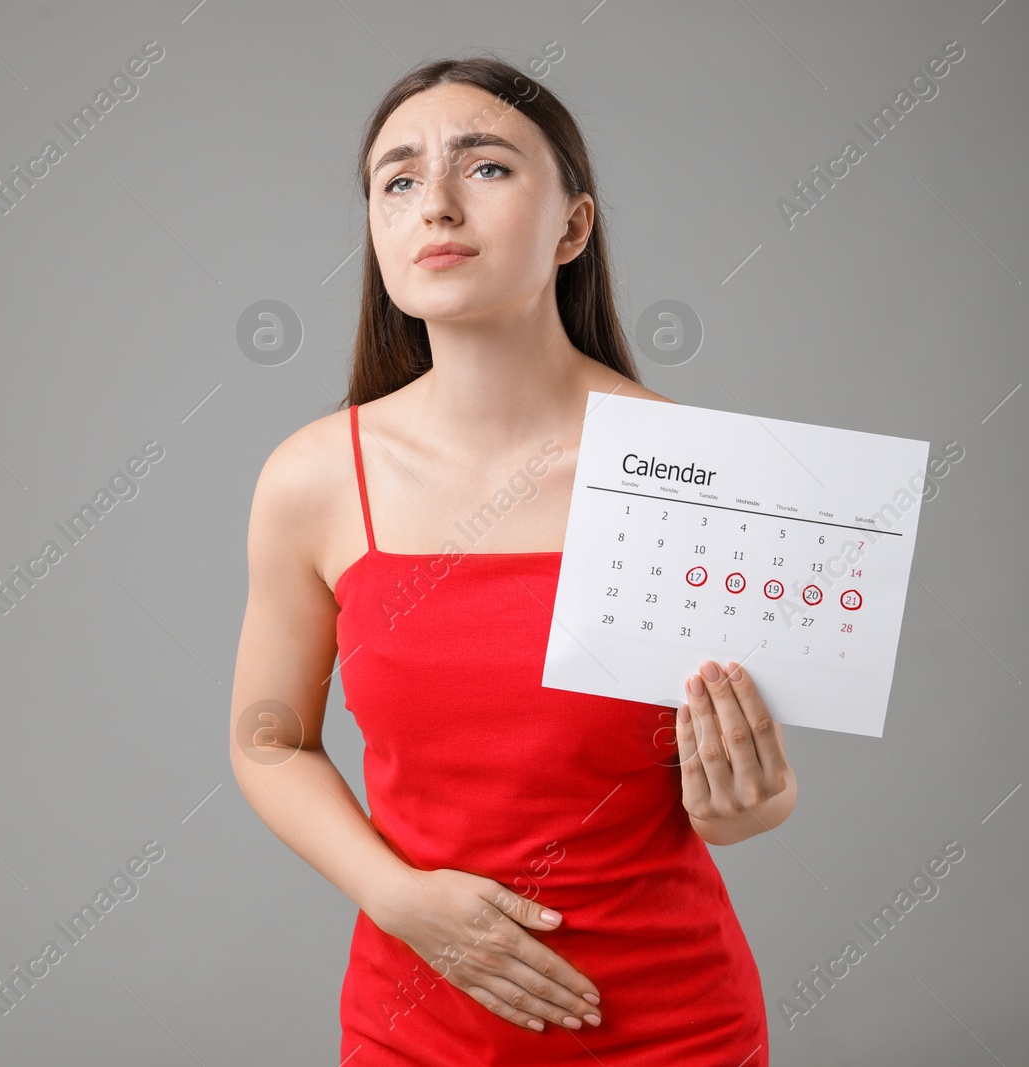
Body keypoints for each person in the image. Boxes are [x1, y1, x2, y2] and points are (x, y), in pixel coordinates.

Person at [229, 53, 797, 1065]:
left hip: (674, 1027)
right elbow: (269, 740)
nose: (435, 204)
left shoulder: (700, 468)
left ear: (573, 226)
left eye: (484, 167)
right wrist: (392, 892)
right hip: (416, 1027)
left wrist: (751, 802)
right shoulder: (313, 478)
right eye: (397, 180)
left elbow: (755, 782)